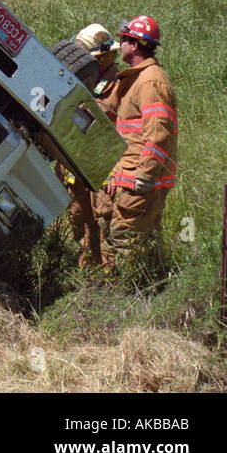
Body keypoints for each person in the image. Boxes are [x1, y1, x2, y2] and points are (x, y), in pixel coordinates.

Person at [97, 15, 178, 263]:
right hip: (130, 176)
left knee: (125, 242)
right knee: (141, 243)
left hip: (139, 180)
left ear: (134, 45)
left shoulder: (152, 81)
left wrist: (144, 176)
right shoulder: (134, 78)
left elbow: (158, 134)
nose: (119, 45)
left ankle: (133, 293)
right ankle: (151, 287)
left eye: (123, 40)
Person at [62, 23, 118, 267]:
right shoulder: (80, 81)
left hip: (100, 168)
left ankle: (109, 277)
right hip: (75, 167)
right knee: (78, 217)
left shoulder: (115, 84)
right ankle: (87, 268)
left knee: (104, 217)